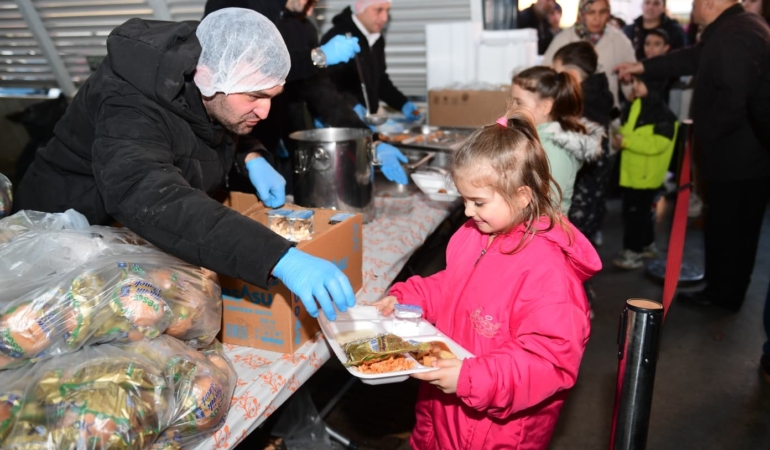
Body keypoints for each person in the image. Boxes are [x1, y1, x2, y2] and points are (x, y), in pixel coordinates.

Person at [13, 8, 356, 321]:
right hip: (55, 239)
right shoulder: (129, 102)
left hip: (118, 236)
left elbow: (204, 126)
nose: (264, 112)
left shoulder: (210, 72)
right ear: (209, 77)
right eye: (255, 96)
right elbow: (149, 194)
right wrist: (278, 257)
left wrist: (248, 153)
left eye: (271, 97)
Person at [371, 112, 601, 450]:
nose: (466, 212)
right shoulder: (474, 233)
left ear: (523, 196)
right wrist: (407, 299)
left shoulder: (549, 275)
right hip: (443, 404)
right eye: (463, 199)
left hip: (494, 428)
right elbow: (452, 286)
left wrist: (470, 378)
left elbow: (548, 361)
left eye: (478, 202)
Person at [616, 0, 770, 312]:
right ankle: (723, 289)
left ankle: (723, 297)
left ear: (710, 3)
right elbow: (692, 58)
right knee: (732, 229)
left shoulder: (733, 35)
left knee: (730, 231)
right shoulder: (733, 27)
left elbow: (732, 101)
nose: (693, 6)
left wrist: (700, 142)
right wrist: (643, 66)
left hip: (739, 157)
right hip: (745, 154)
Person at [204, 0, 410, 185]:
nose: (312, 5)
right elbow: (243, 66)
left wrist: (369, 139)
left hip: (280, 144)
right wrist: (315, 57)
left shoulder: (303, 27)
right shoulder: (235, 5)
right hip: (234, 143)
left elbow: (324, 94)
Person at [511, 67, 603, 214]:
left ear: (545, 106)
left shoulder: (553, 149)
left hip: (543, 230)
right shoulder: (535, 138)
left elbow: (547, 206)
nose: (512, 108)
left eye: (519, 102)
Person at [612, 75, 679, 269]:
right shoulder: (637, 106)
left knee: (635, 215)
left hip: (645, 175)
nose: (635, 86)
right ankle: (647, 244)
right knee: (641, 212)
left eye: (639, 82)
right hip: (634, 171)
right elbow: (629, 129)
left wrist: (625, 141)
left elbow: (657, 145)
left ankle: (633, 252)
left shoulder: (664, 115)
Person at [553, 42, 616, 247]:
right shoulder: (598, 91)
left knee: (574, 241)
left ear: (571, 73)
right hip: (595, 180)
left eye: (558, 74)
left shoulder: (584, 103)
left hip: (585, 184)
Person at [321, 0, 423, 121]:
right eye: (378, 10)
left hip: (368, 121)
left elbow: (379, 80)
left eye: (387, 10)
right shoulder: (337, 40)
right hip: (342, 121)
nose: (385, 18)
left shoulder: (376, 39)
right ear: (360, 7)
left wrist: (402, 104)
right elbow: (326, 84)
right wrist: (352, 106)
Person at [543, 0, 636, 107]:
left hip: (608, 115)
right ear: (582, 13)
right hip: (571, 113)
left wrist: (628, 82)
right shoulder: (564, 39)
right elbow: (546, 75)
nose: (597, 18)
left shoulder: (619, 40)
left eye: (602, 12)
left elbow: (632, 89)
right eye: (591, 12)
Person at [623, 0, 687, 61]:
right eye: (647, 2)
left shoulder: (675, 31)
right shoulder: (628, 31)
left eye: (656, 4)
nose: (650, 7)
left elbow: (681, 58)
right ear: (642, 6)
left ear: (663, 8)